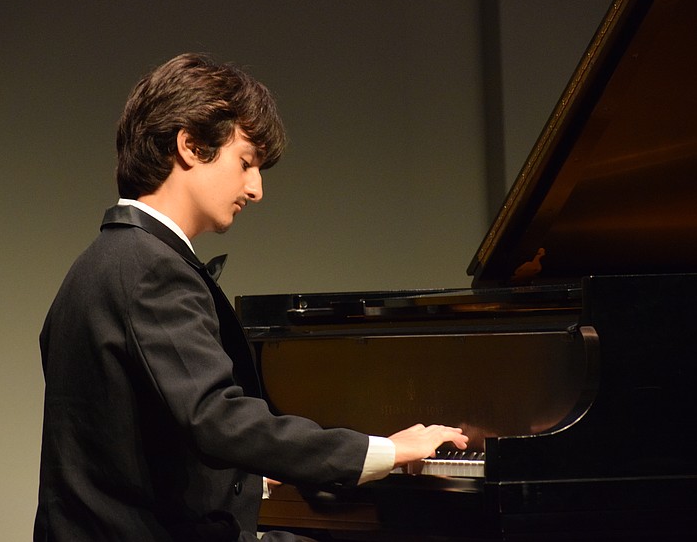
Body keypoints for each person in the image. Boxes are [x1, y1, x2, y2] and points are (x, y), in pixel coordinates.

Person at [34, 52, 468, 542]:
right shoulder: (151, 268)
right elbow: (216, 418)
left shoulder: (99, 262)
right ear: (190, 146)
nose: (256, 189)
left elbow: (134, 445)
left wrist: (254, 477)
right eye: (246, 163)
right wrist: (382, 451)